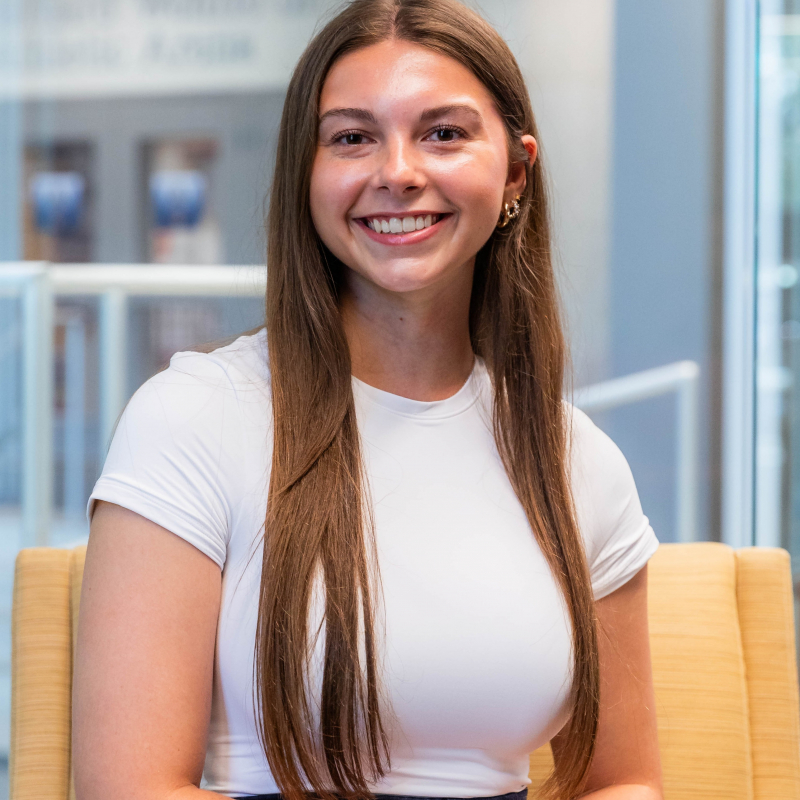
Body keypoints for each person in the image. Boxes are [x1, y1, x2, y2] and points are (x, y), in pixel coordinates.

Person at [72, 1, 663, 799]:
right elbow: (127, 787)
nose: (398, 171)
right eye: (352, 138)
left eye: (443, 133)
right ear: (307, 173)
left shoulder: (577, 462)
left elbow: (623, 781)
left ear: (516, 172)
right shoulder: (194, 419)